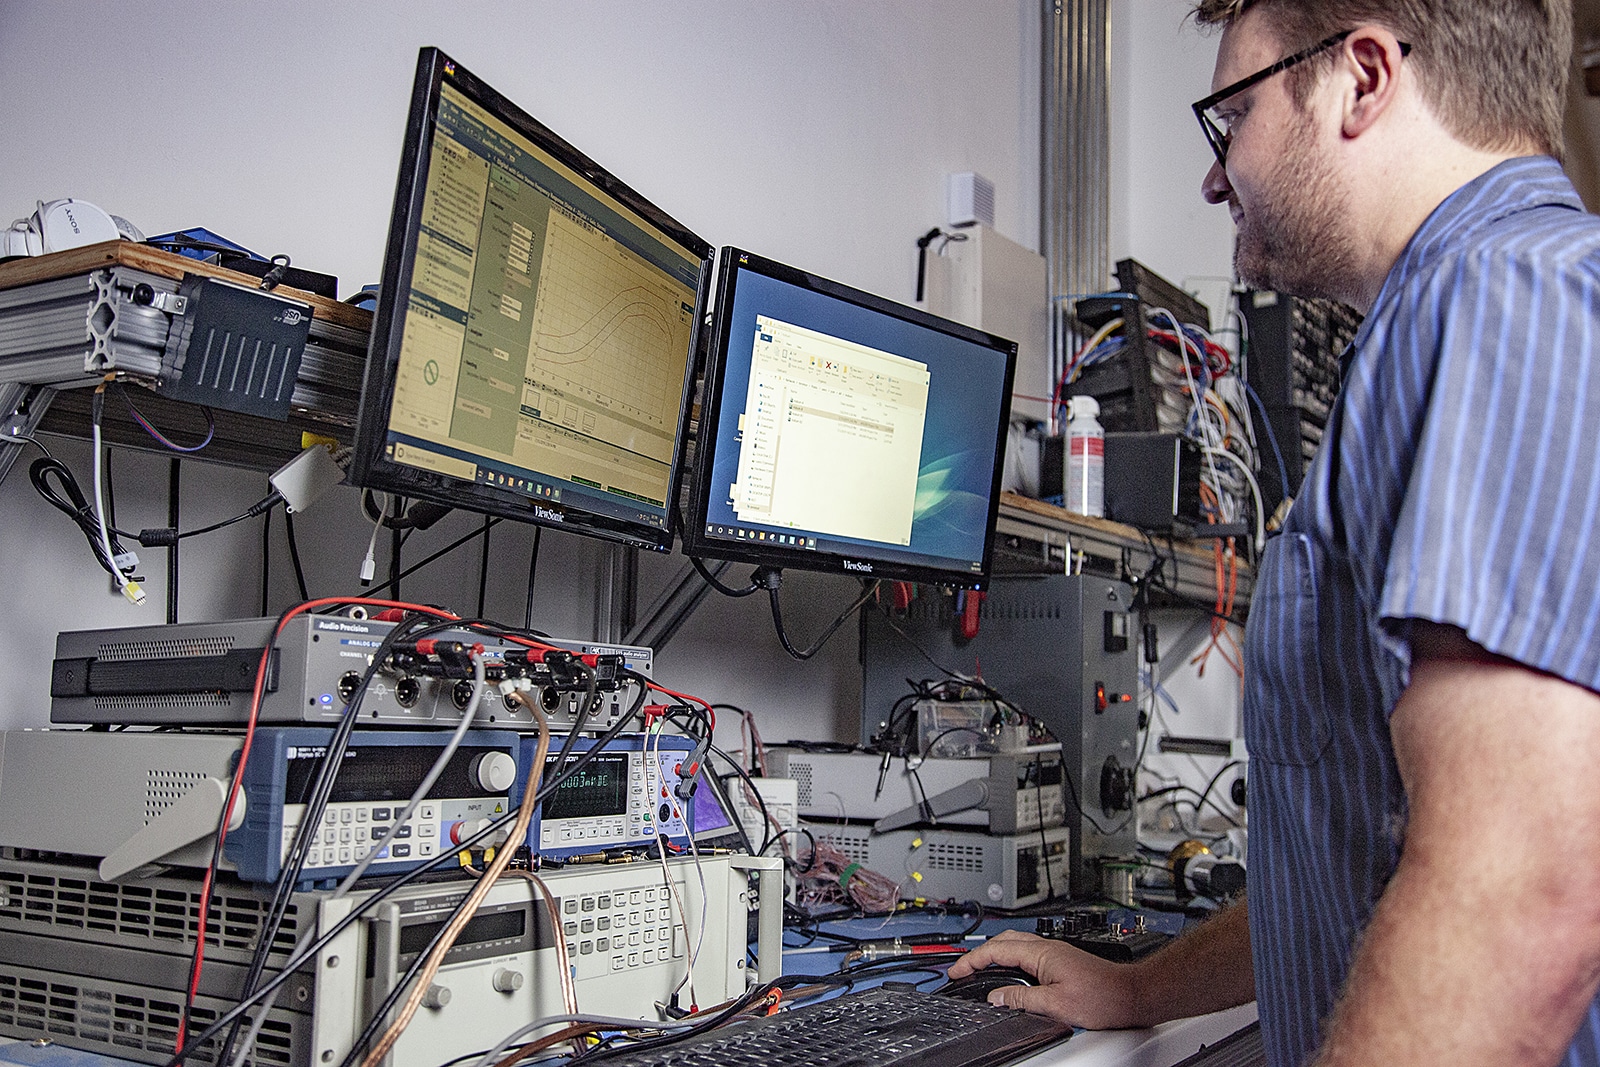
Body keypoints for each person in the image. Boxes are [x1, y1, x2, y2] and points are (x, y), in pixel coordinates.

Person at [947, 2, 1600, 1064]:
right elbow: (1361, 855)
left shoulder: (1503, 294)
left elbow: (1521, 890)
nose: (1215, 175)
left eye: (1233, 114)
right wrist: (1138, 988)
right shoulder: (1447, 321)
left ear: (1364, 77)